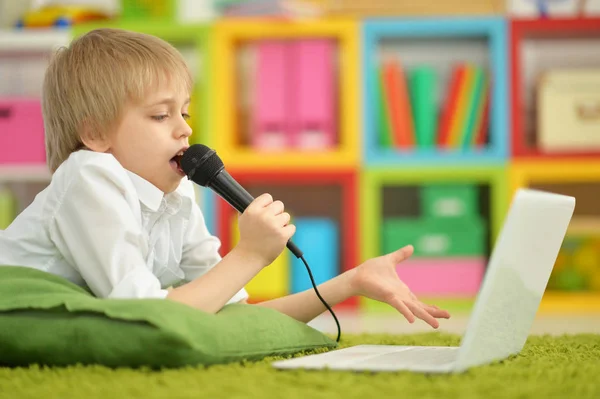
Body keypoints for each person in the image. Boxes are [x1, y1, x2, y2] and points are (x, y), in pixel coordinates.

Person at [0, 28, 450, 329]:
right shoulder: (89, 176)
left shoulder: (177, 196)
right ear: (95, 134)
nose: (185, 129)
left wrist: (350, 281)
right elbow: (141, 315)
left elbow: (230, 313)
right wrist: (250, 253)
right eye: (160, 115)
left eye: (184, 111)